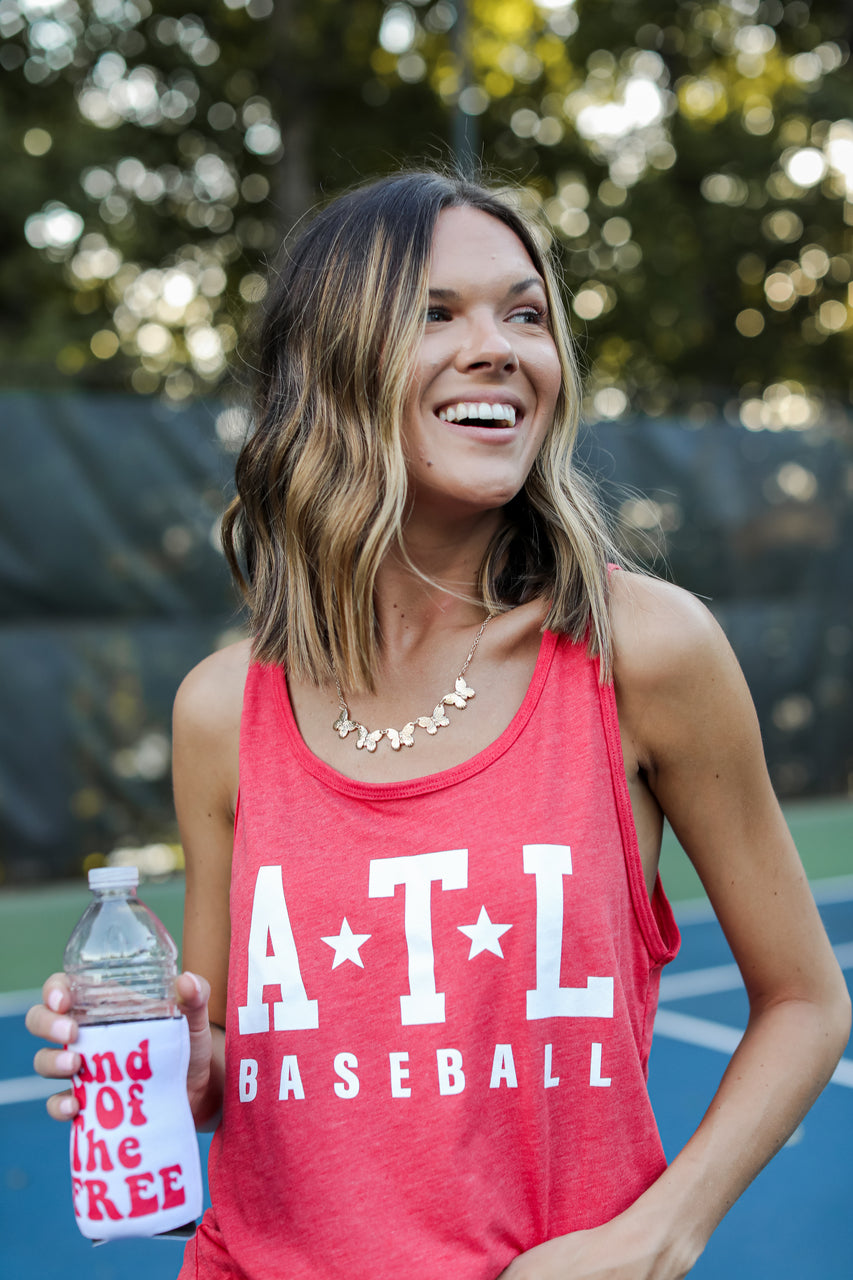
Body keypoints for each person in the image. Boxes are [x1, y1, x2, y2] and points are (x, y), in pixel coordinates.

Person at [27, 170, 850, 1280]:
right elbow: (222, 1068)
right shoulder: (222, 708)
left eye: (525, 313)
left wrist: (657, 1235)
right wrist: (167, 1067)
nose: (500, 347)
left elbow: (804, 998)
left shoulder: (640, 649)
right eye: (435, 313)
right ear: (330, 367)